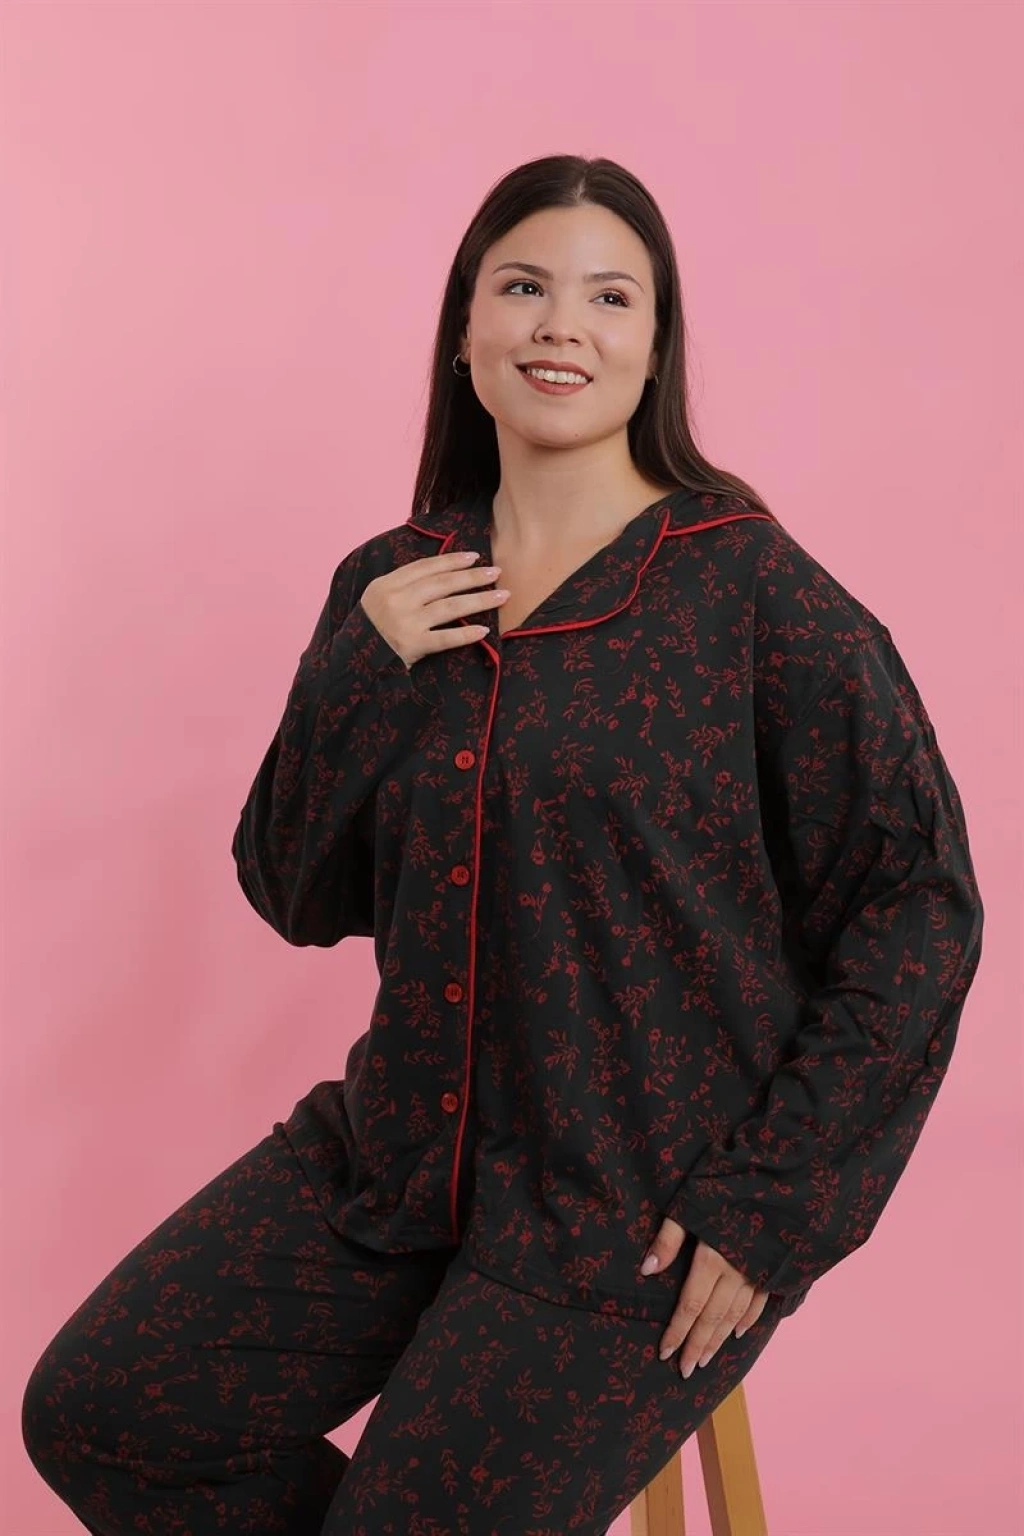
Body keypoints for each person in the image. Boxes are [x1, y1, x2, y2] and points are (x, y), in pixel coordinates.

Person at [22, 153, 984, 1536]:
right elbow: (293, 892)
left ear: (656, 346)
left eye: (611, 297)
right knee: (103, 1411)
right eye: (524, 287)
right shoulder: (393, 580)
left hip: (630, 1218)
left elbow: (919, 905)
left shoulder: (753, 593)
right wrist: (360, 673)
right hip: (395, 1168)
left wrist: (772, 1203)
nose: (561, 326)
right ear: (465, 330)